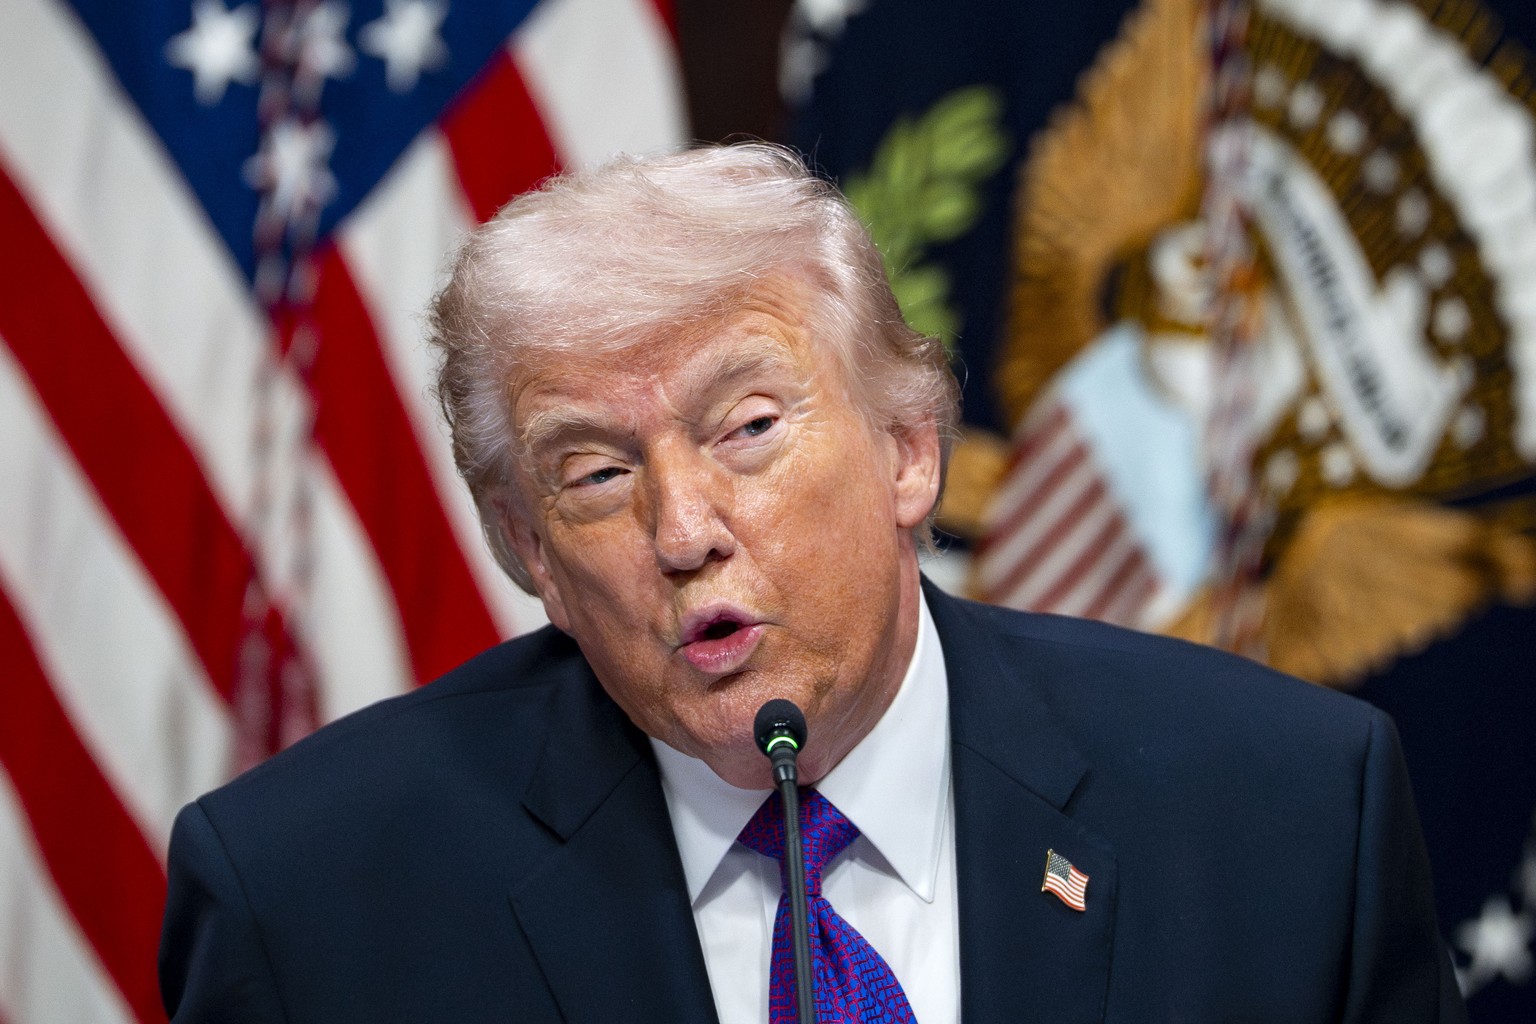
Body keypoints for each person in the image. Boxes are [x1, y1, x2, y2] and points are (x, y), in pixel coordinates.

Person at [159, 143, 1466, 1023]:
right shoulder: (311, 904)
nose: (684, 530)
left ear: (909, 449)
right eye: (596, 474)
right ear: (529, 551)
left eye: (750, 428)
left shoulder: (1287, 816)